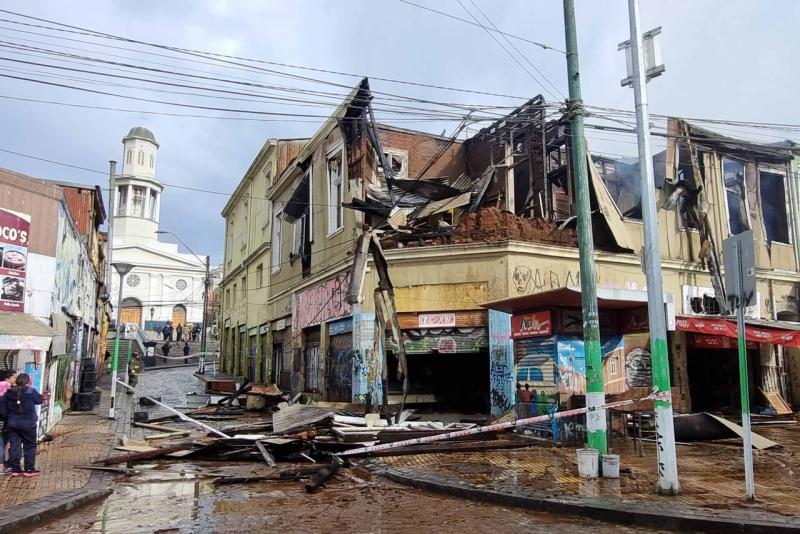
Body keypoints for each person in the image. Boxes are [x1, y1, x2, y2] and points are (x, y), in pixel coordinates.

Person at [4, 373, 43, 477]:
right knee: (29, 446)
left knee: (14, 446)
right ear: (28, 381)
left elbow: (3, 407)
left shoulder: (9, 392)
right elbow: (39, 400)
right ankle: (29, 469)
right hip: (28, 424)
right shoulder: (30, 391)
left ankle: (15, 469)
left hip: (12, 423)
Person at [0, 369, 15, 475]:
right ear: (7, 378)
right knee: (1, 443)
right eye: (14, 377)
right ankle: (1, 468)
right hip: (3, 420)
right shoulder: (5, 388)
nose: (15, 379)